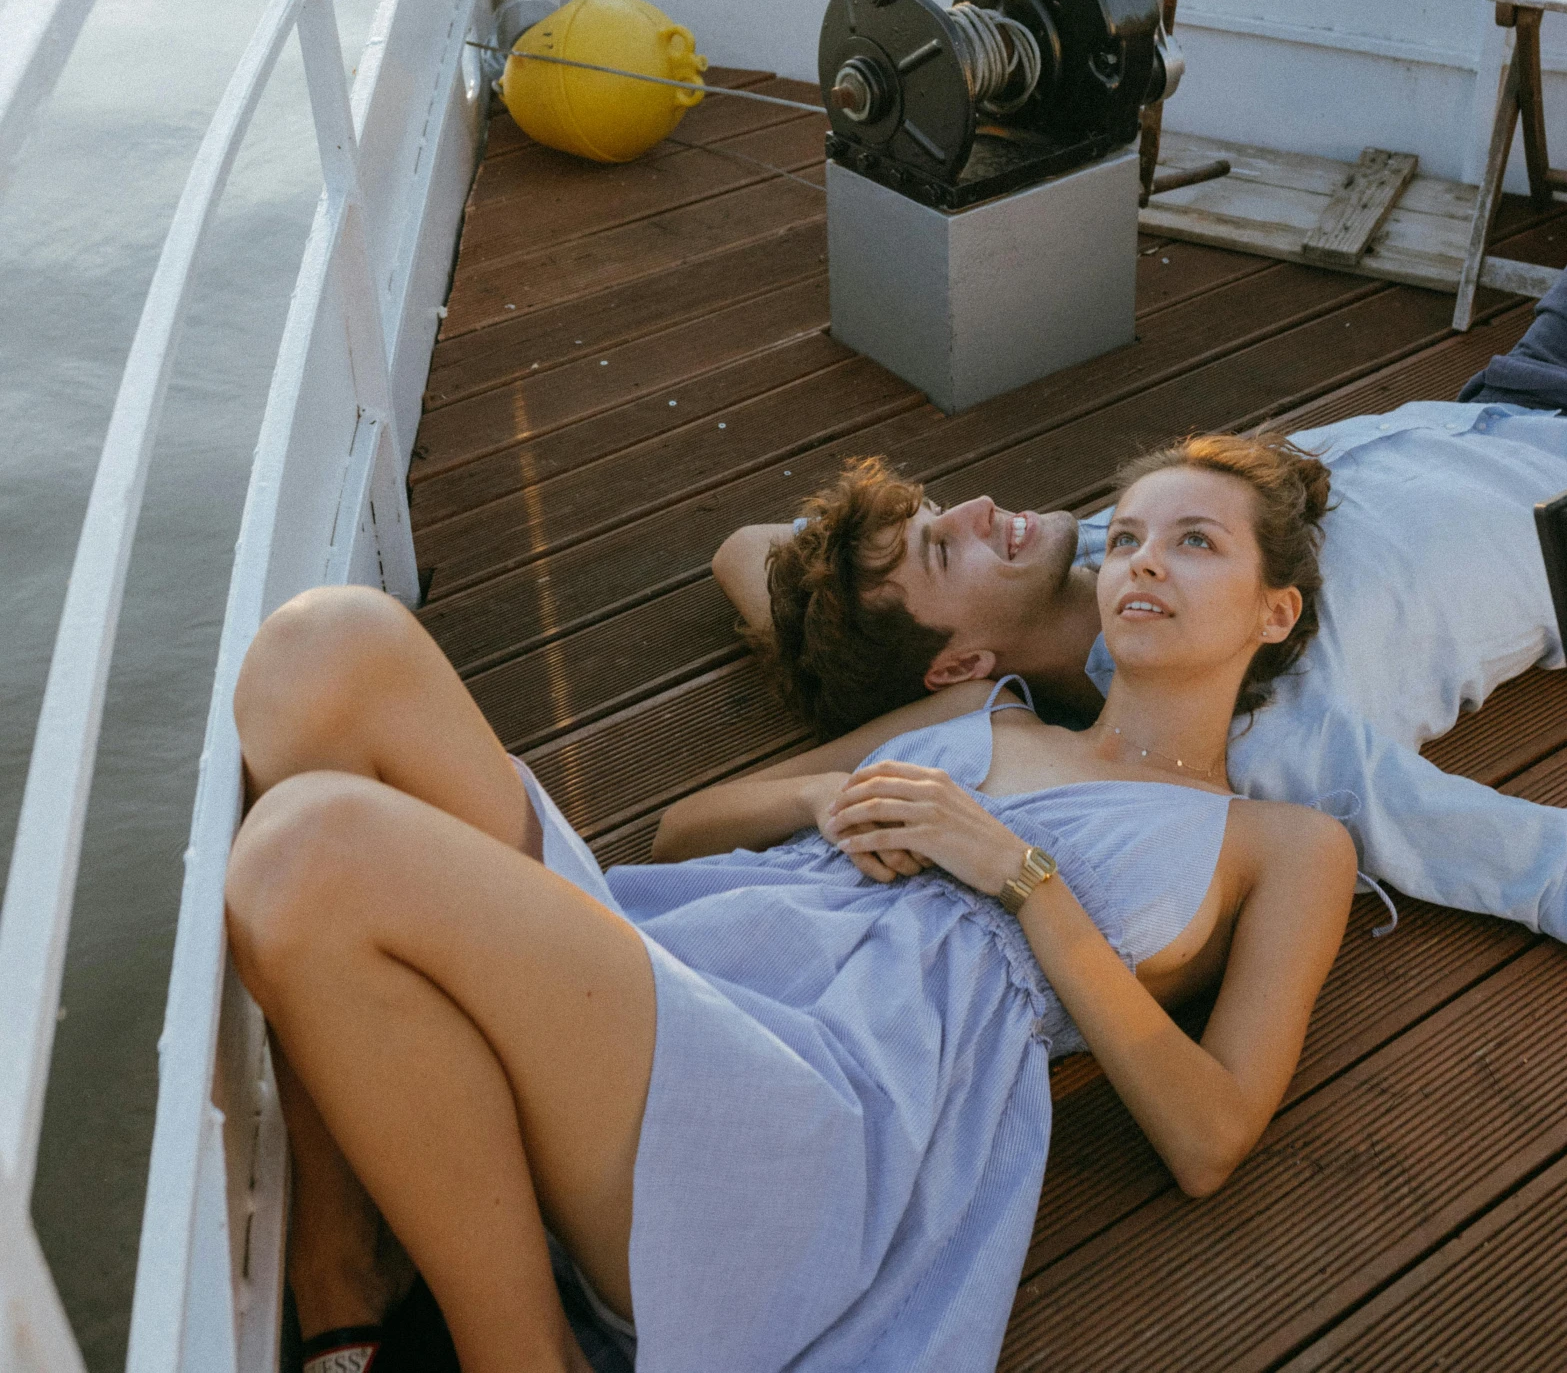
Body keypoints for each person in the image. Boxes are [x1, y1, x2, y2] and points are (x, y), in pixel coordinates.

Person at [226, 435, 1356, 1373]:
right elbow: (684, 830)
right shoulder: (987, 715)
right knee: (323, 649)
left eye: (1194, 543)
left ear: (1273, 612)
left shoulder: (1289, 847)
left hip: (811, 1110)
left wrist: (1015, 872)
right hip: (681, 969)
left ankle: (513, 1349)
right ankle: (349, 1251)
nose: (1143, 562)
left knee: (303, 849)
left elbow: (1208, 1135)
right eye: (1129, 537)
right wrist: (825, 794)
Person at [716, 382, 1567, 940]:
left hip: (1490, 399)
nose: (978, 505)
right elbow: (1534, 866)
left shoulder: (1111, 547)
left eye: (938, 510)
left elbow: (741, 548)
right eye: (944, 549)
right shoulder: (1270, 732)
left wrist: (842, 643)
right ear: (957, 666)